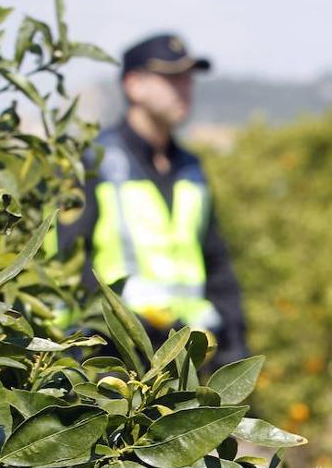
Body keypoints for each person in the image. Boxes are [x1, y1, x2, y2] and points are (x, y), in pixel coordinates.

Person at [59, 32, 249, 370]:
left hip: (187, 360)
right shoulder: (92, 162)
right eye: (171, 78)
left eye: (188, 79)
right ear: (134, 85)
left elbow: (217, 262)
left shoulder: (192, 168)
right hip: (114, 361)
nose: (185, 88)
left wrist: (235, 346)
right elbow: (69, 260)